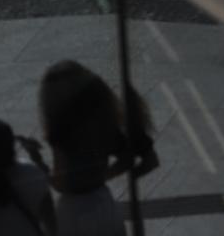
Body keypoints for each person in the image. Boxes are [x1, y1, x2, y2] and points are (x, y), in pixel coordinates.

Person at [26, 60, 157, 236]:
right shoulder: (105, 124)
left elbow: (63, 185)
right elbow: (136, 160)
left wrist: (37, 160)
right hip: (103, 207)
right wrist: (101, 177)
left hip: (73, 215)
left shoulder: (61, 131)